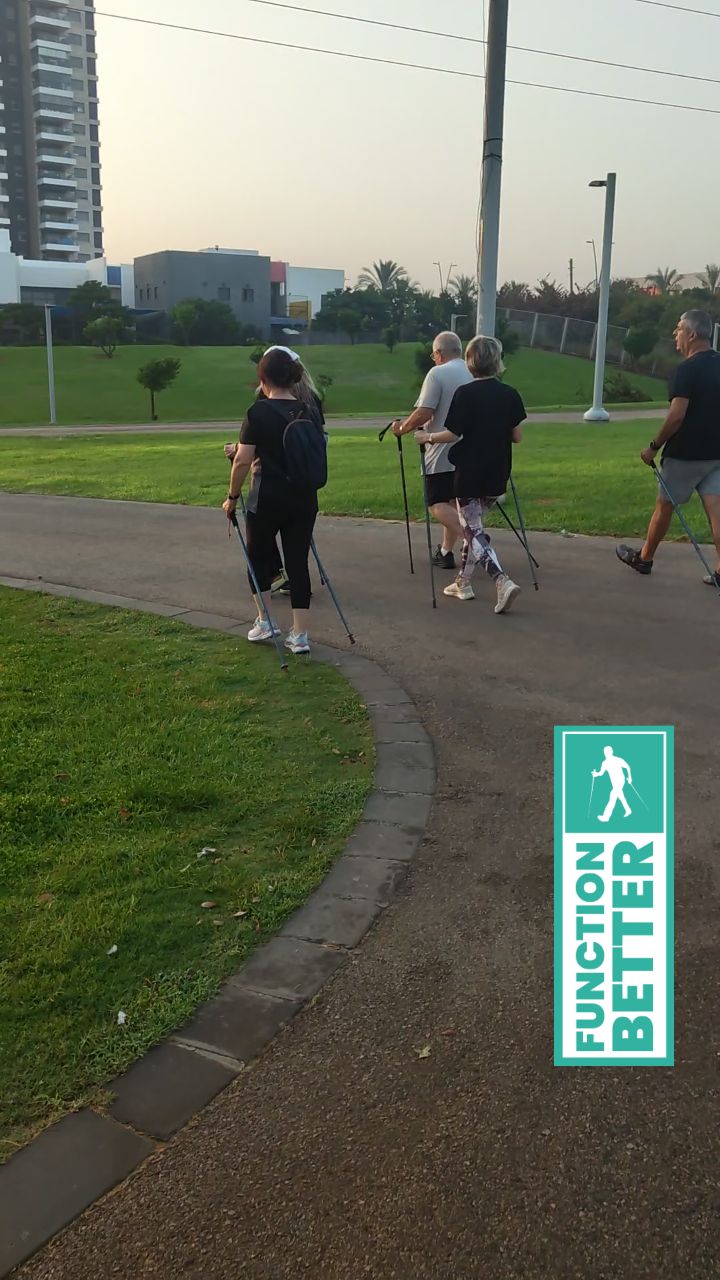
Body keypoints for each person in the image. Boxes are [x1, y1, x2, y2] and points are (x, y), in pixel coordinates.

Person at [222, 348, 324, 655]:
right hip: (304, 498)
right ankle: (300, 635)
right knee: (298, 563)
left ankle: (265, 620)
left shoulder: (259, 412)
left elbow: (242, 461)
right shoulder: (309, 409)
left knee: (259, 560)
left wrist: (231, 497)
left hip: (266, 498)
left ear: (263, 378)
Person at [415, 334, 524, 614]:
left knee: (473, 531)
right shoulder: (510, 394)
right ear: (497, 362)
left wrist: (427, 438)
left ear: (470, 362)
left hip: (469, 472)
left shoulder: (466, 394)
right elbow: (517, 436)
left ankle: (502, 580)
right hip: (498, 469)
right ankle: (462, 582)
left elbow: (453, 434)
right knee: (474, 525)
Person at [616, 309, 720, 586]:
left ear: (692, 334)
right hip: (716, 453)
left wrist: (653, 446)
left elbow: (677, 415)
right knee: (717, 511)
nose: (675, 334)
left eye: (678, 329)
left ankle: (644, 558)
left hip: (686, 453)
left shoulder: (686, 370)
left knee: (664, 506)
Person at [391, 331, 473, 568]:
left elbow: (425, 411)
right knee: (451, 501)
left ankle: (474, 539)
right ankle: (446, 551)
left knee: (436, 503)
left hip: (441, 448)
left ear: (438, 353)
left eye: (433, 354)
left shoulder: (437, 373)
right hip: (469, 450)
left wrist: (402, 428)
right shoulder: (473, 371)